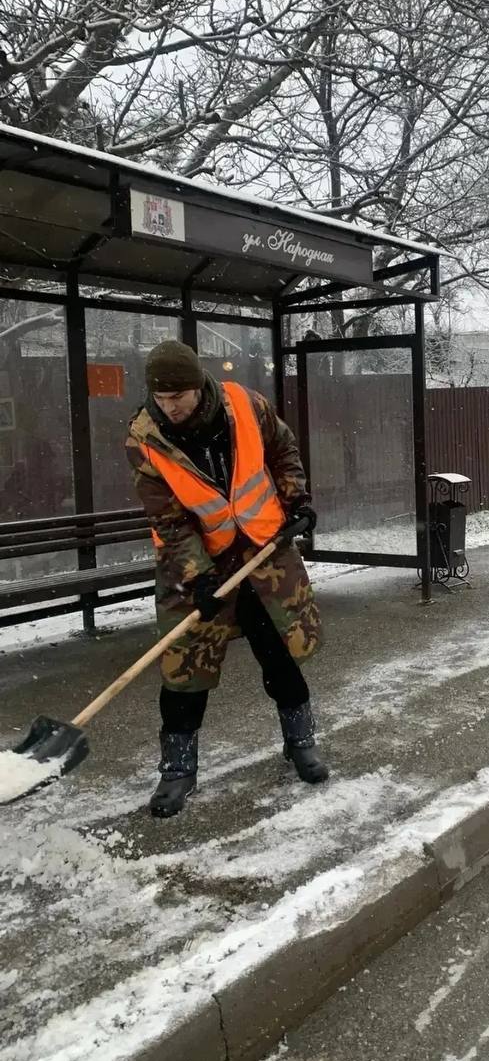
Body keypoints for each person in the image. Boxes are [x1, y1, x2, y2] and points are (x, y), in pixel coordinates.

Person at [126, 341, 327, 817]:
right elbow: (169, 521)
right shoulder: (145, 440)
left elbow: (283, 448)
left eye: (179, 396)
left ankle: (301, 742)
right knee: (184, 669)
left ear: (199, 387)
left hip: (263, 553)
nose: (169, 406)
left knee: (279, 653)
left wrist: (296, 500)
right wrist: (198, 576)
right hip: (198, 566)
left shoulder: (246, 405)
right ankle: (177, 771)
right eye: (161, 397)